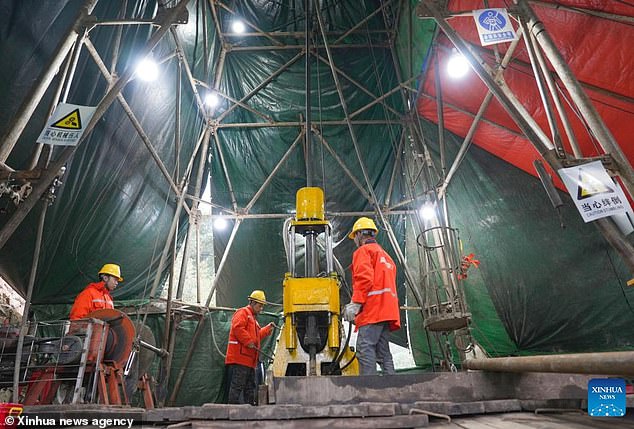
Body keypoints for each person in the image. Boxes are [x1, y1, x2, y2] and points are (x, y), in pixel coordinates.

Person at [343, 217, 401, 375]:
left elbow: (364, 279)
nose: (354, 240)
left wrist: (355, 303)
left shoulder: (363, 252)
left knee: (365, 348)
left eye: (355, 236)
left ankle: (369, 390)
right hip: (387, 311)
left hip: (372, 310)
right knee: (383, 353)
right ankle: (393, 387)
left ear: (360, 234)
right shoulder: (386, 256)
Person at [225, 290, 274, 405]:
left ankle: (249, 412)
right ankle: (232, 411)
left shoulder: (252, 319)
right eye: (259, 305)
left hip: (249, 361)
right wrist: (248, 341)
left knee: (249, 388)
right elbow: (237, 328)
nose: (261, 308)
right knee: (237, 387)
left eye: (262, 306)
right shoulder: (243, 313)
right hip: (240, 359)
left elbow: (256, 338)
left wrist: (267, 329)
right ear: (252, 302)